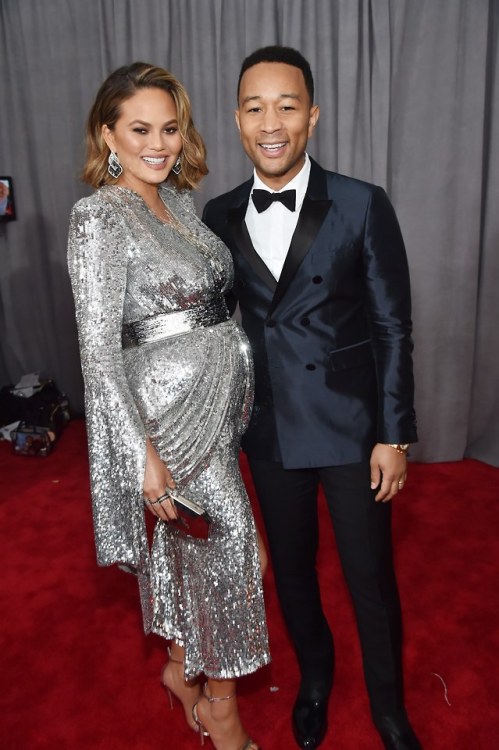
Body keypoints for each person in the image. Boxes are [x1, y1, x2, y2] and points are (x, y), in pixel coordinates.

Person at [203, 46, 421, 750]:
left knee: (369, 580)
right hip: (268, 431)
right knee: (292, 574)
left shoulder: (361, 202)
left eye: (287, 106)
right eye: (255, 107)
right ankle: (316, 680)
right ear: (237, 120)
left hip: (353, 431)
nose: (272, 123)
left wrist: (394, 434)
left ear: (312, 116)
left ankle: (389, 709)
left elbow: (391, 325)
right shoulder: (218, 213)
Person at [67, 62, 270, 750]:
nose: (159, 144)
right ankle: (221, 707)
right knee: (237, 548)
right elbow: (97, 351)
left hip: (215, 407)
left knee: (199, 551)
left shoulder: (179, 201)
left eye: (170, 128)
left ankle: (183, 667)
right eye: (140, 130)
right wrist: (141, 457)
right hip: (164, 421)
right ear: (108, 135)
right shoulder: (98, 217)